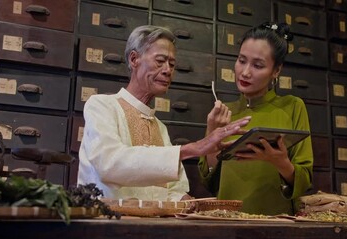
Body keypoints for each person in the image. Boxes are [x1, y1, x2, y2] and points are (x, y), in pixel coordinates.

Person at [78, 25, 250, 201]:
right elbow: (109, 164)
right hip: (106, 225)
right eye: (160, 61)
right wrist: (193, 148)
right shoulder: (101, 106)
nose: (168, 70)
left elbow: (174, 189)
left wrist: (194, 203)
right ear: (134, 59)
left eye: (172, 64)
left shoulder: (159, 128)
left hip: (152, 227)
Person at [198, 22, 313, 215]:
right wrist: (212, 141)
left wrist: (280, 161)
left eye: (257, 65)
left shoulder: (292, 107)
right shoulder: (224, 113)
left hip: (276, 223)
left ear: (276, 71)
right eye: (242, 61)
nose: (245, 72)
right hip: (225, 223)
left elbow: (304, 180)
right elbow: (209, 182)